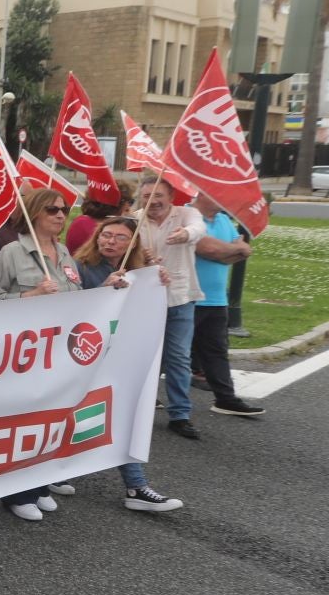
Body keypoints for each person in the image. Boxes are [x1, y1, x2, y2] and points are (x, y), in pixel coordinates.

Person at [74, 216, 186, 513]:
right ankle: (47, 478)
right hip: (84, 359)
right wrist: (103, 289)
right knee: (73, 417)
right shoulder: (80, 267)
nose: (109, 241)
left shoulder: (141, 271)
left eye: (119, 237)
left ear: (132, 243)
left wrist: (156, 282)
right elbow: (71, 310)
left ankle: (136, 486)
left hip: (119, 360)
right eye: (105, 234)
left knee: (122, 415)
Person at [0, 187, 86, 521]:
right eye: (52, 209)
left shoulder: (64, 252)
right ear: (34, 213)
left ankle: (40, 484)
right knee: (24, 423)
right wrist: (30, 295)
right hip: (24, 355)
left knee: (53, 419)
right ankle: (17, 493)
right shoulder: (12, 253)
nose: (60, 215)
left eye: (64, 209)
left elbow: (78, 295)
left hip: (59, 354)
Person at [137, 179, 207, 441]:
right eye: (146, 196)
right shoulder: (135, 221)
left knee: (178, 357)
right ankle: (136, 407)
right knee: (144, 356)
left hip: (179, 298)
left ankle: (180, 415)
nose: (152, 201)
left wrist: (185, 235)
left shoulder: (188, 214)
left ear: (171, 196)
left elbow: (198, 229)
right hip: (144, 301)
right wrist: (140, 257)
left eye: (158, 195)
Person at [192, 192, 264, 419]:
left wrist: (226, 251)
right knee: (170, 352)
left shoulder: (223, 220)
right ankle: (147, 395)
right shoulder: (188, 216)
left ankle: (226, 398)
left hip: (216, 299)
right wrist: (230, 250)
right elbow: (207, 248)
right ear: (202, 193)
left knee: (217, 351)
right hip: (188, 297)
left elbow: (243, 251)